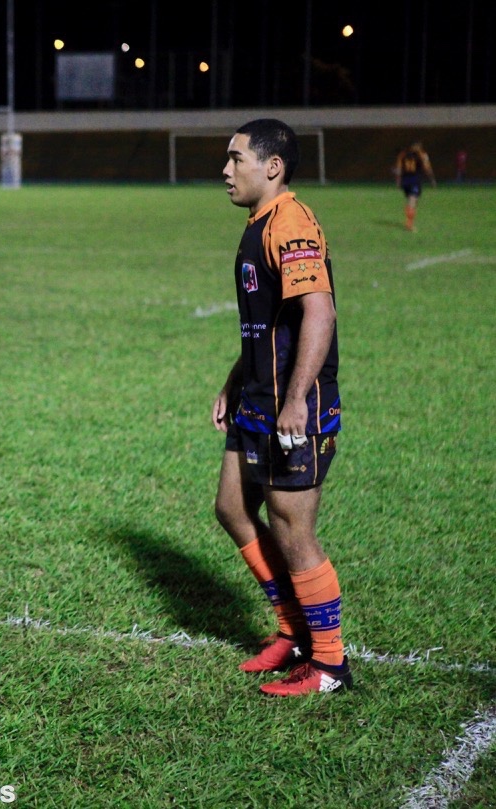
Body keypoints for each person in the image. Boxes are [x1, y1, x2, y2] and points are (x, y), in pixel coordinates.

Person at [214, 118, 349, 697]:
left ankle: (330, 664)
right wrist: (233, 381)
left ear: (272, 166)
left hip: (293, 404)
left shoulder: (290, 223)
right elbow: (266, 326)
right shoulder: (258, 223)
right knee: (232, 508)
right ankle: (293, 632)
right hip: (257, 398)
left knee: (293, 530)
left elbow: (318, 314)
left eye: (236, 158)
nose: (226, 169)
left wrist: (296, 400)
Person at [394, 141, 436, 232]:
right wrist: (432, 179)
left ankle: (408, 220)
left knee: (411, 201)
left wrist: (398, 180)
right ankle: (409, 224)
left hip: (405, 181)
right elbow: (427, 167)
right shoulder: (421, 155)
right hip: (415, 181)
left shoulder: (403, 154)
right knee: (413, 201)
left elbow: (398, 168)